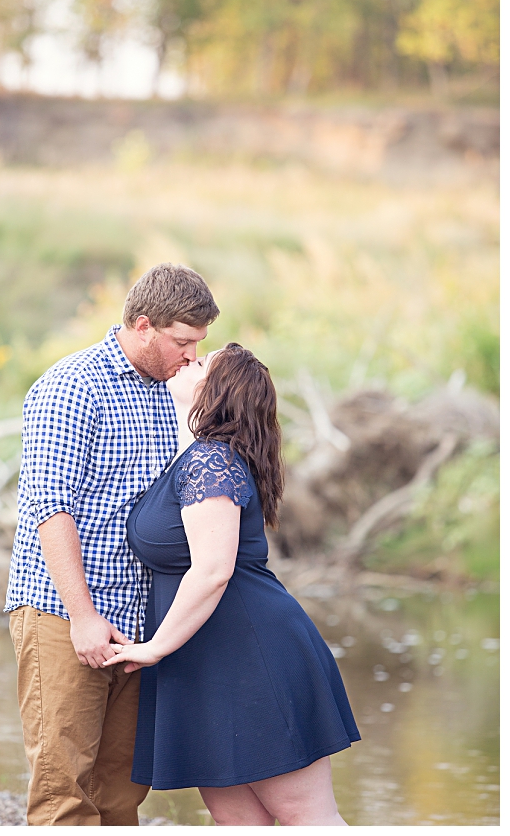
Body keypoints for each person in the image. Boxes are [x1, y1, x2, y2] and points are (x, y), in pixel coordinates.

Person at [104, 343, 360, 825]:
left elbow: (213, 569)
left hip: (253, 654)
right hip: (205, 660)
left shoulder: (211, 462)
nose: (189, 359)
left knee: (307, 816)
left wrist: (154, 647)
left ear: (216, 392)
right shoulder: (194, 456)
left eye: (202, 362)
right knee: (238, 820)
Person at [5, 263, 220, 825]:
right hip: (63, 613)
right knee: (64, 790)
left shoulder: (167, 392)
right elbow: (48, 506)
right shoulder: (71, 385)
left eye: (199, 344)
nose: (192, 357)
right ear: (143, 325)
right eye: (183, 342)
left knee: (124, 793)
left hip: (138, 620)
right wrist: (82, 616)